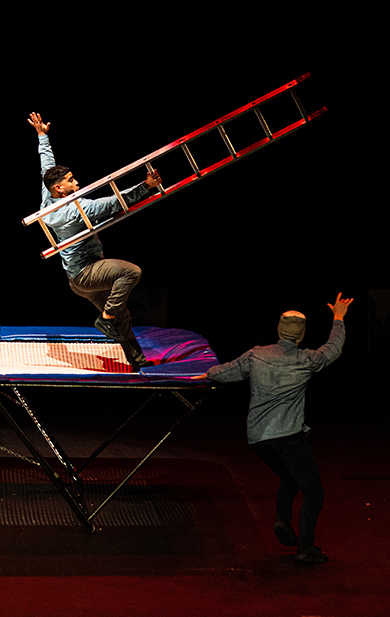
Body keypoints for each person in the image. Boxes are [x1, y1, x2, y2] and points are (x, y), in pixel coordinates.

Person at [194, 292, 354, 564]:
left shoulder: (257, 355)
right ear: (301, 336)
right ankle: (305, 547)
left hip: (258, 438)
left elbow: (224, 372)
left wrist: (205, 374)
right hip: (288, 437)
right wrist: (338, 317)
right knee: (313, 489)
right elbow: (334, 348)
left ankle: (282, 521)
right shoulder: (307, 360)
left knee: (290, 478)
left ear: (279, 330)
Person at [28, 112, 161, 371]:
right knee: (130, 272)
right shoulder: (77, 208)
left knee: (123, 318)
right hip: (88, 274)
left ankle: (137, 362)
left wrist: (42, 136)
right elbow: (113, 201)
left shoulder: (48, 200)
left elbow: (47, 167)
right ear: (59, 189)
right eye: (70, 181)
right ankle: (107, 315)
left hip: (78, 280)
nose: (76, 183)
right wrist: (146, 186)